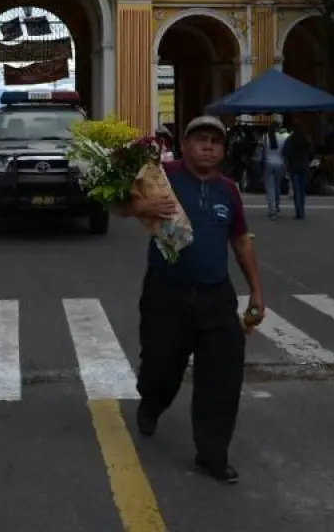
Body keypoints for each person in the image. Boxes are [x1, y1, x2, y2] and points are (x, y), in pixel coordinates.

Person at [121, 115, 265, 484]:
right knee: (160, 365)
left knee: (223, 375)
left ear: (223, 150)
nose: (208, 147)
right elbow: (119, 205)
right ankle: (152, 401)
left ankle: (212, 455)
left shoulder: (228, 190)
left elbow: (240, 239)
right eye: (200, 140)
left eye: (215, 142)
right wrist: (142, 209)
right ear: (184, 146)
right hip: (166, 292)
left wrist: (257, 292)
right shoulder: (160, 176)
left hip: (216, 296)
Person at [281, 124, 314, 220]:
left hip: (294, 166)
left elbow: (285, 152)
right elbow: (312, 153)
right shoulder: (307, 140)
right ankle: (302, 211)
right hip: (304, 166)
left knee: (296, 190)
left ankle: (298, 211)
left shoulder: (290, 140)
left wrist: (288, 163)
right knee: (302, 189)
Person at [260, 120, 287, 219]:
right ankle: (277, 206)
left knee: (270, 188)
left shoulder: (265, 137)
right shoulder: (283, 138)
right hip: (280, 164)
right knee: (277, 187)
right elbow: (285, 152)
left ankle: (272, 210)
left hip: (268, 163)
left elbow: (261, 151)